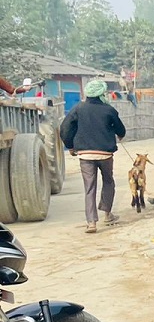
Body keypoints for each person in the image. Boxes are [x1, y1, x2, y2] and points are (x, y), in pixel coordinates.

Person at [59, 79, 126, 233]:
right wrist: (120, 135)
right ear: (101, 93)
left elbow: (64, 129)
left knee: (89, 188)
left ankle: (91, 223)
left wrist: (70, 145)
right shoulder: (109, 110)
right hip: (105, 154)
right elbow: (120, 129)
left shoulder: (78, 109)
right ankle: (108, 214)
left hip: (85, 155)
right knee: (108, 181)